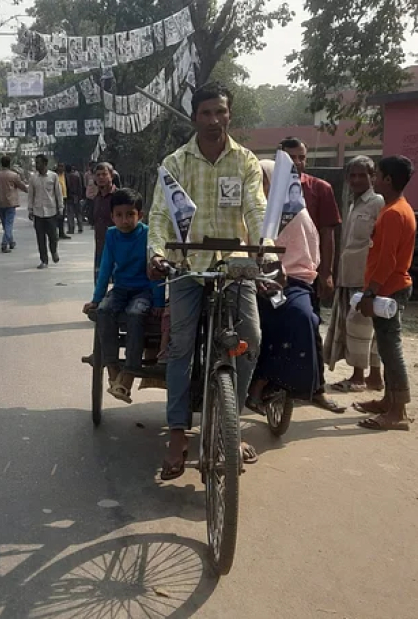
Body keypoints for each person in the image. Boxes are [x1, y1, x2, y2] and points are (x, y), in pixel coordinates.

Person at [148, 81, 270, 480]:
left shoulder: (246, 161)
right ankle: (179, 434)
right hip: (187, 267)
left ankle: (229, 426)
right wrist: (157, 253)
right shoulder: (176, 162)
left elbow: (256, 207)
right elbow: (161, 215)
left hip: (234, 267)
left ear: (229, 114)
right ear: (195, 116)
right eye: (206, 113)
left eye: (221, 112)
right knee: (180, 347)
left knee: (249, 337)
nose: (214, 120)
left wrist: (265, 245)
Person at [247, 159, 322, 409]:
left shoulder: (296, 213)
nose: (260, 186)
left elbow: (309, 254)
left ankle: (277, 382)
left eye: (265, 181)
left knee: (304, 318)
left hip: (293, 280)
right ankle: (247, 384)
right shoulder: (248, 211)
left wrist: (283, 274)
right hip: (253, 281)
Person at [280, 137, 344, 413]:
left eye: (301, 157)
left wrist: (326, 273)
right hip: (272, 270)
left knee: (310, 326)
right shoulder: (267, 187)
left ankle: (316, 388)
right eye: (291, 157)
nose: (297, 162)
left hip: (306, 271)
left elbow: (328, 234)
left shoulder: (320, 189)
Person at [354, 156, 417, 431]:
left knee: (391, 350)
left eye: (377, 175)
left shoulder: (394, 213)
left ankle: (398, 411)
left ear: (388, 180)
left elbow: (388, 260)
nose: (374, 179)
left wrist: (371, 292)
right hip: (390, 287)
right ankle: (389, 400)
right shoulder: (397, 208)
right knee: (386, 346)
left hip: (389, 289)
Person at [84, 188, 165, 402]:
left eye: (130, 214)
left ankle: (128, 374)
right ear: (112, 217)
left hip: (144, 289)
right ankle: (112, 370)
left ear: (140, 215)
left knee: (135, 315)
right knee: (103, 311)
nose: (125, 220)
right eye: (119, 215)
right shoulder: (111, 235)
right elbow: (105, 269)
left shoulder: (149, 235)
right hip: (120, 289)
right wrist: (96, 298)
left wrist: (158, 302)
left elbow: (156, 272)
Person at [324, 156, 385, 392]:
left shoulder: (377, 203)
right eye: (353, 175)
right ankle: (371, 377)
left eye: (363, 175)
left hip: (366, 279)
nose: (357, 179)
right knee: (358, 329)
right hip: (348, 276)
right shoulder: (353, 205)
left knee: (361, 328)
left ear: (373, 177)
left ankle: (361, 377)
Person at [27, 155, 64, 269]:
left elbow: (58, 193)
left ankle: (53, 251)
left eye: (38, 163)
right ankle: (44, 260)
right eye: (36, 163)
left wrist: (60, 208)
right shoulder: (33, 178)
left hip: (51, 211)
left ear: (45, 164)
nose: (36, 165)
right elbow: (31, 195)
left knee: (53, 236)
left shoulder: (53, 176)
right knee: (40, 238)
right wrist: (30, 209)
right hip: (38, 212)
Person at [0, 156, 28, 253]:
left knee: (5, 225)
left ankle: (11, 241)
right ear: (9, 164)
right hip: (10, 203)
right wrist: (28, 190)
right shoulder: (13, 175)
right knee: (8, 225)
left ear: (1, 163)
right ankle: (4, 243)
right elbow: (22, 186)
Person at [91, 162, 116, 280]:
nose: (101, 177)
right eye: (98, 175)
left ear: (112, 176)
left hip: (117, 249)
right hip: (100, 248)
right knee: (99, 283)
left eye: (104, 174)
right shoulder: (97, 199)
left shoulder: (119, 197)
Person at [65, 164, 85, 234]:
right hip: (76, 197)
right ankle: (80, 228)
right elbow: (80, 187)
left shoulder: (66, 177)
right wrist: (80, 196)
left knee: (70, 214)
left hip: (69, 197)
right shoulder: (76, 176)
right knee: (78, 213)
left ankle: (71, 229)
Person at [55, 162, 71, 240]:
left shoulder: (66, 176)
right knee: (55, 217)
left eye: (62, 166)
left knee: (62, 216)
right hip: (55, 199)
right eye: (60, 166)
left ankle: (62, 233)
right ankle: (55, 233)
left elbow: (68, 186)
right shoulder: (54, 176)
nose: (61, 168)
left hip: (64, 198)